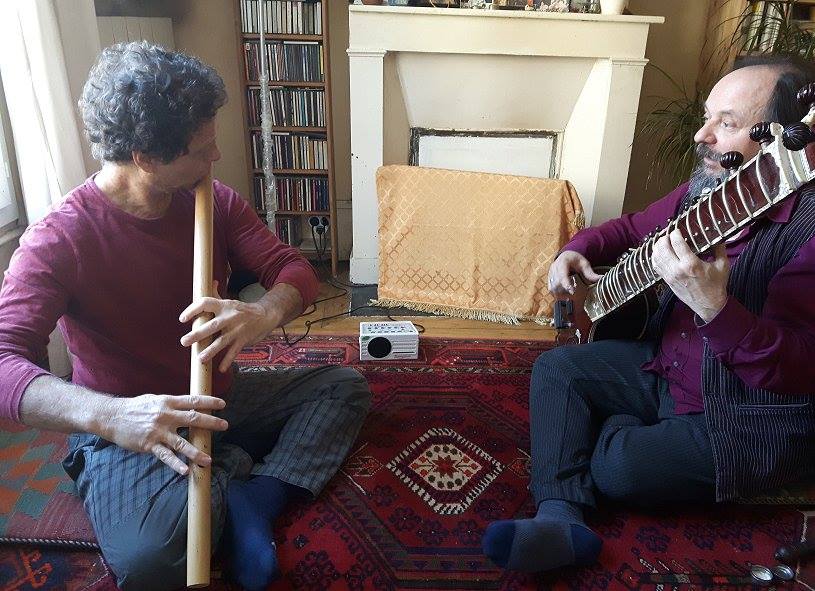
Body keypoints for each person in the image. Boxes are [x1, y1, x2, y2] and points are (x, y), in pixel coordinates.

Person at [0, 41, 371, 591]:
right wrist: (111, 416)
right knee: (150, 561)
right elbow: (4, 363)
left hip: (217, 397)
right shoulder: (58, 239)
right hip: (127, 423)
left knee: (343, 389)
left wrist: (264, 311)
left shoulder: (214, 200)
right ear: (146, 158)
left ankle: (255, 495)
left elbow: (293, 268)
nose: (216, 156)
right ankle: (232, 468)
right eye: (201, 149)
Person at [482, 54, 815, 573]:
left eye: (727, 124)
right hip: (669, 368)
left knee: (619, 469)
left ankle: (611, 432)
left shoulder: (808, 231)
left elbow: (800, 370)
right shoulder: (712, 193)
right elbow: (631, 228)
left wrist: (715, 307)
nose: (702, 135)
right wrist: (575, 249)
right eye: (706, 117)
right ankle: (559, 516)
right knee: (557, 368)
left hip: (744, 414)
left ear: (783, 138)